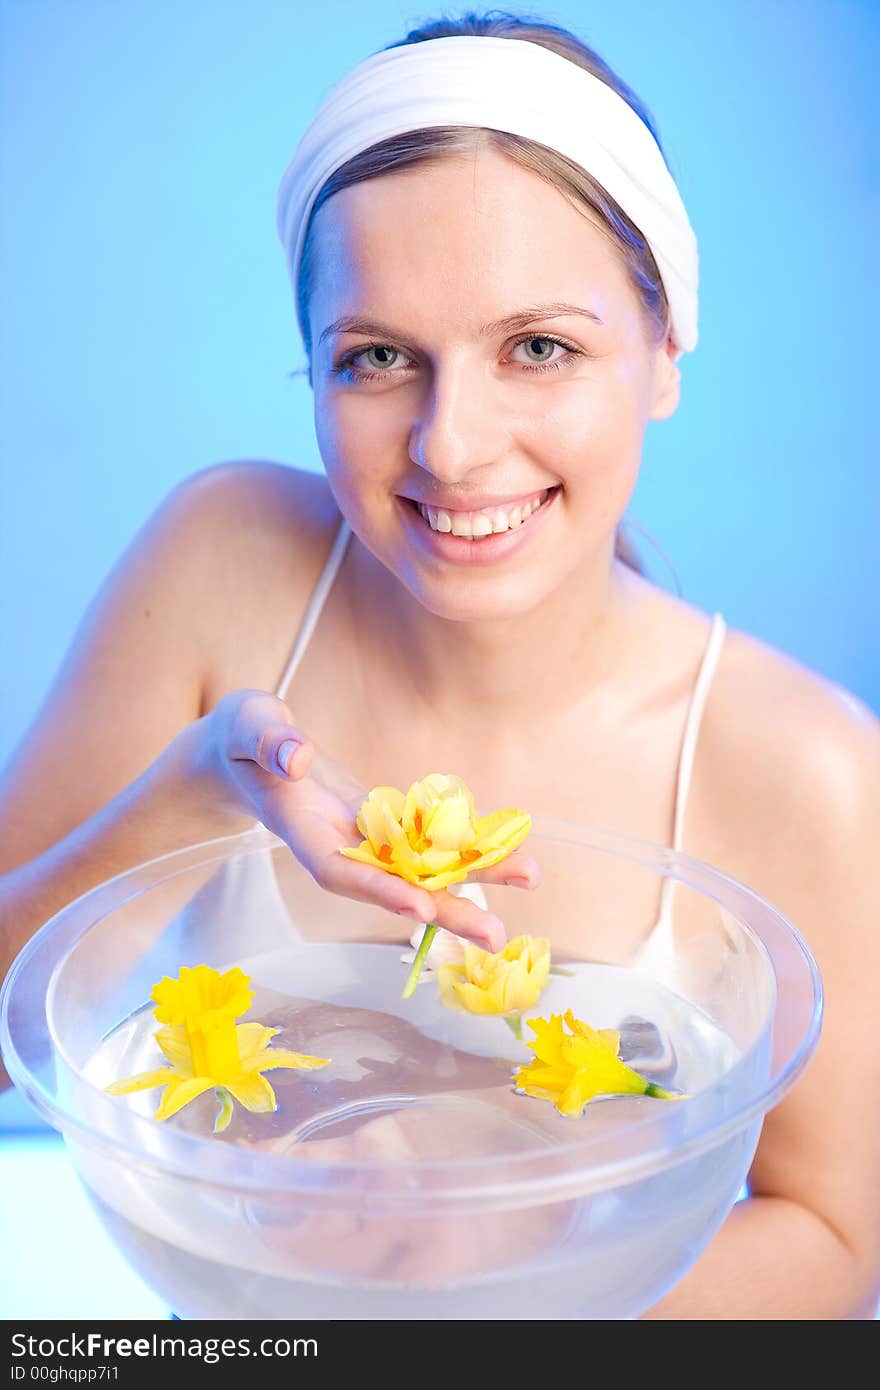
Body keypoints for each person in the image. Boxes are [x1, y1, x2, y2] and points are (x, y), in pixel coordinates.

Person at [1, 10, 878, 1320]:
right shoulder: (220, 563)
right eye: (378, 358)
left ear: (664, 355)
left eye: (540, 346)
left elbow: (841, 1245)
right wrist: (200, 787)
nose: (452, 447)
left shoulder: (802, 764)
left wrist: (489, 1281)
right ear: (312, 366)